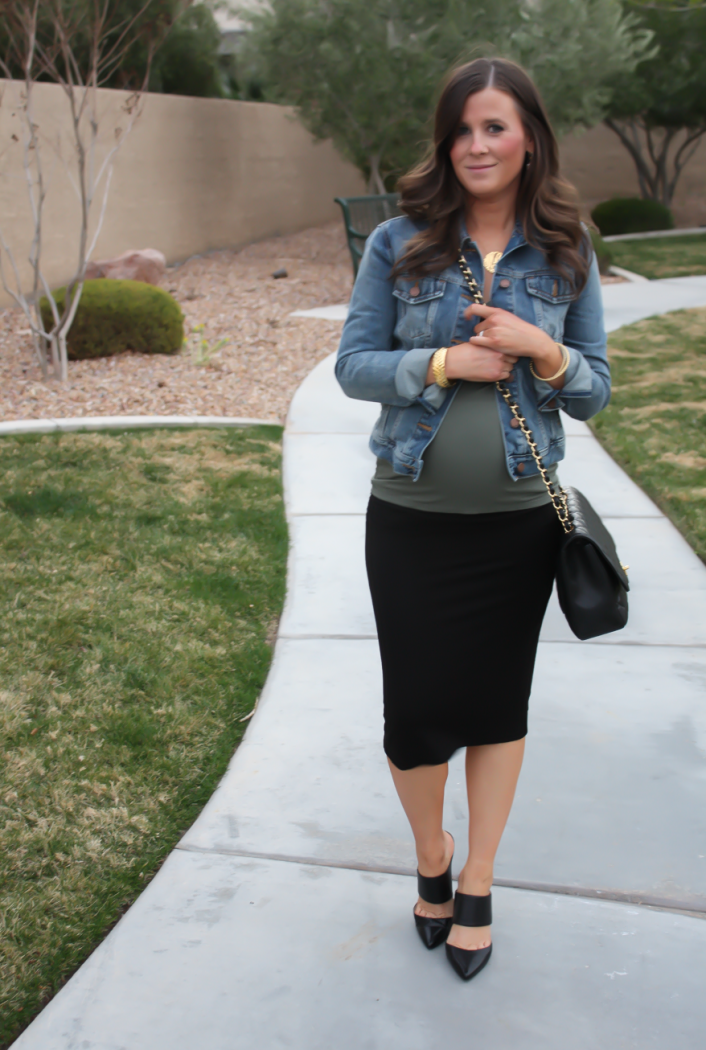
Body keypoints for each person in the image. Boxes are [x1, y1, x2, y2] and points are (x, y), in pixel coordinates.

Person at [335, 57, 609, 982]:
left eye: (495, 127)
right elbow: (354, 366)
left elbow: (597, 391)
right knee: (414, 714)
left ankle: (480, 880)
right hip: (409, 514)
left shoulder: (567, 249)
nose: (477, 145)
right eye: (462, 128)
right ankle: (431, 856)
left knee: (497, 708)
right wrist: (443, 364)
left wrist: (547, 352)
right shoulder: (399, 241)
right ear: (445, 140)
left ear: (529, 135)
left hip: (517, 525)